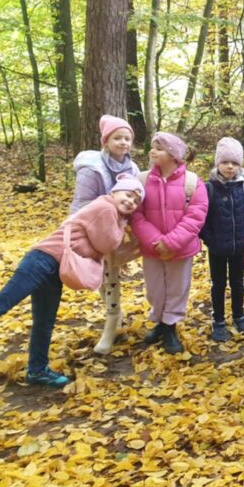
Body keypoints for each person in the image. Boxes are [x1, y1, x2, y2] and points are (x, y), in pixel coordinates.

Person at [0, 177, 144, 387]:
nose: (130, 202)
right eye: (127, 195)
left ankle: (37, 371)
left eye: (135, 201)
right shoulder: (105, 208)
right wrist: (125, 223)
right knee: (0, 305)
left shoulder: (112, 213)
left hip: (53, 269)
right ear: (115, 192)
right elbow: (107, 243)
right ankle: (36, 369)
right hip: (42, 261)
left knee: (44, 322)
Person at [70, 114, 141, 355]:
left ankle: (112, 321)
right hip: (93, 229)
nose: (123, 143)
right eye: (117, 138)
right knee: (99, 276)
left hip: (120, 231)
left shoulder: (133, 168)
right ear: (105, 141)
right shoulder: (91, 169)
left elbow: (137, 200)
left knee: (111, 276)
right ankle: (114, 314)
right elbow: (81, 204)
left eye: (127, 138)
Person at [132, 132, 208, 355]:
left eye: (159, 148)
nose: (152, 151)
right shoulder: (143, 180)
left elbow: (196, 216)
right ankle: (159, 321)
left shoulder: (192, 183)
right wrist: (156, 242)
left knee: (176, 289)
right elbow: (136, 214)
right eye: (153, 146)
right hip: (151, 248)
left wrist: (172, 243)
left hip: (181, 249)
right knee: (155, 289)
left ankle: (169, 327)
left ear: (174, 155)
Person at [200, 137, 244, 341]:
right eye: (225, 162)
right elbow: (201, 218)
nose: (230, 167)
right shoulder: (209, 188)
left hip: (239, 247)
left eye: (234, 163)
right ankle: (218, 321)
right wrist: (209, 239)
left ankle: (239, 316)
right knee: (218, 284)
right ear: (218, 163)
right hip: (217, 248)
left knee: (238, 282)